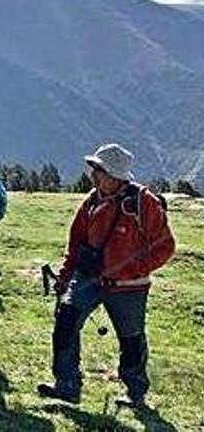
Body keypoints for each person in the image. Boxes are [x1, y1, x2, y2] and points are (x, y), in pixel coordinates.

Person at [38, 143, 175, 408]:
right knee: (65, 323)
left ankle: (135, 393)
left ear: (115, 175)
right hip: (88, 279)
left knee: (131, 339)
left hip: (129, 287)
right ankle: (67, 385)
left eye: (99, 170)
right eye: (94, 169)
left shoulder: (143, 203)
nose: (93, 175)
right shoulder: (91, 200)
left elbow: (165, 246)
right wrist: (66, 276)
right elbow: (76, 242)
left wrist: (130, 270)